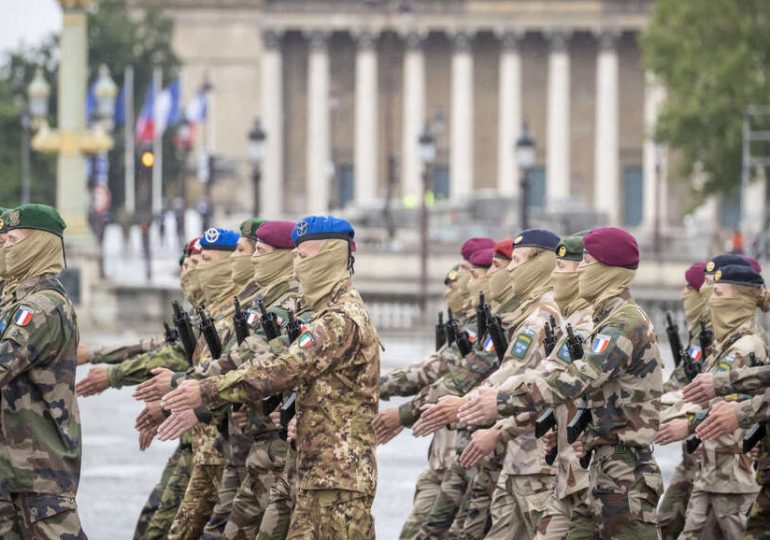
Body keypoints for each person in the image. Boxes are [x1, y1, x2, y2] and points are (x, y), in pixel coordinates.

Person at [160, 215, 381, 539]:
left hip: (338, 478)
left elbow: (281, 368)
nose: (297, 268)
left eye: (304, 258)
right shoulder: (327, 313)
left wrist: (207, 390)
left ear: (329, 257)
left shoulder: (339, 319)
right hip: (315, 469)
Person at [459, 226, 664, 539]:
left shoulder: (625, 322)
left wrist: (502, 402)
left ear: (609, 271)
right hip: (597, 465)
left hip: (625, 474)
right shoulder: (605, 321)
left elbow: (577, 378)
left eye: (586, 264)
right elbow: (596, 393)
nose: (579, 272)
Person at [0, 204, 86, 539]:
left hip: (39, 470)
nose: (5, 249)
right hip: (14, 467)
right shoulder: (16, 302)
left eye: (12, 241)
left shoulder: (41, 307)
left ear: (39, 244)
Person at [534, 234, 593, 540]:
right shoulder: (567, 319)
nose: (555, 273)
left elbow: (554, 377)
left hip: (589, 470)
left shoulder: (589, 322)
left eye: (562, 266)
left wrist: (495, 399)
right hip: (566, 468)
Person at [655, 262, 709, 540]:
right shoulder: (699, 338)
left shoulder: (718, 340)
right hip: (694, 460)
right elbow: (678, 385)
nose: (685, 293)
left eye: (691, 287)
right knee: (665, 525)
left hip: (722, 462)